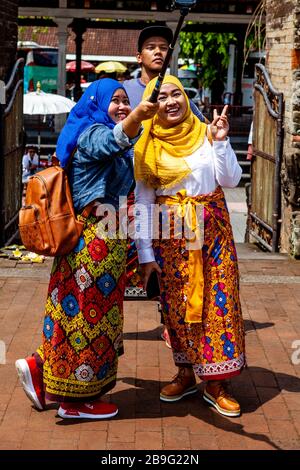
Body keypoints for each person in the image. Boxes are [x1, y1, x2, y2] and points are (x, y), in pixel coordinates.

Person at [15, 78, 159, 420]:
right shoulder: (92, 133)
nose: (122, 105)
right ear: (97, 103)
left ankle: (41, 369)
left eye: (126, 100)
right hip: (93, 245)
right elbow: (113, 138)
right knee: (88, 319)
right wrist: (137, 114)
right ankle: (76, 402)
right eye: (116, 101)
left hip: (100, 243)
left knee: (72, 313)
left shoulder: (103, 135)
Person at [134, 75, 245, 418]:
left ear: (185, 98)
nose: (170, 102)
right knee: (177, 309)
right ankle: (185, 372)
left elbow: (230, 180)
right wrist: (146, 255)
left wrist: (222, 141)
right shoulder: (147, 146)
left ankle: (217, 383)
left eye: (175, 94)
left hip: (213, 237)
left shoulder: (205, 134)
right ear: (153, 105)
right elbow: (143, 204)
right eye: (162, 96)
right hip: (170, 240)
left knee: (218, 304)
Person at [123, 25, 207, 348]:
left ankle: (173, 325)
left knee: (174, 268)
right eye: (151, 47)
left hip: (170, 197)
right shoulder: (125, 92)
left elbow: (197, 129)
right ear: (139, 55)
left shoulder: (176, 92)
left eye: (163, 47)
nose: (158, 51)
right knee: (125, 266)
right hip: (130, 190)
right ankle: (110, 323)